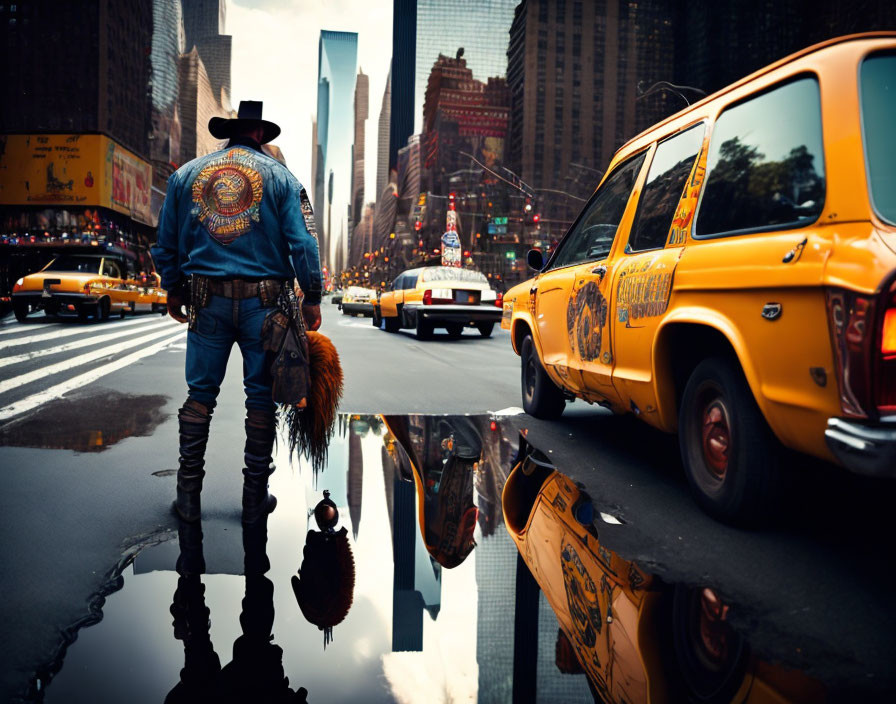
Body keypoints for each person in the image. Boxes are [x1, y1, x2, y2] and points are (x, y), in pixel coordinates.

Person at [152, 100, 323, 525]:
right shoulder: (284, 180)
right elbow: (304, 244)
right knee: (260, 399)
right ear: (261, 135)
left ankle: (188, 496)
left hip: (205, 299)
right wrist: (312, 295)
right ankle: (253, 500)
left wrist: (173, 287)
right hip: (264, 307)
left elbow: (165, 241)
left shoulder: (185, 176)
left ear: (229, 132)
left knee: (200, 397)